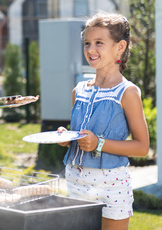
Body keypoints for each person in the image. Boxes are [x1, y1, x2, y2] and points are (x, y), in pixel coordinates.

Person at [57, 12, 149, 230]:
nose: (90, 49)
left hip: (112, 184)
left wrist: (99, 143)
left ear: (119, 47)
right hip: (76, 181)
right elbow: (80, 135)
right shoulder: (78, 90)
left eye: (99, 42)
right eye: (87, 43)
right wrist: (67, 137)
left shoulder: (127, 92)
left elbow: (142, 147)